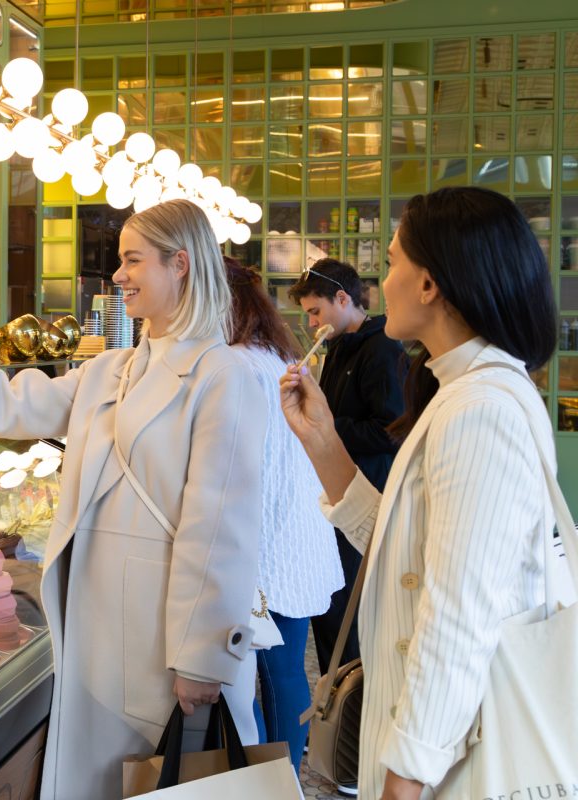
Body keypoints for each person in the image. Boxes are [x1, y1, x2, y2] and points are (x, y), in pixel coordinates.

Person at [0, 199, 265, 799]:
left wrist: (202, 655)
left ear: (181, 265)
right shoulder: (110, 369)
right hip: (92, 621)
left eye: (132, 261)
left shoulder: (224, 374)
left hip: (161, 635)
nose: (117, 277)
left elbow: (220, 526)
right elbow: (9, 406)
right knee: (99, 778)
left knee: (163, 779)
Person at [279, 186, 565, 800]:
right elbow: (406, 549)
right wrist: (324, 440)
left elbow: (457, 615)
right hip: (446, 749)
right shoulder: (456, 391)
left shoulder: (480, 406)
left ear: (430, 284)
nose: (381, 282)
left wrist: (402, 781)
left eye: (391, 262)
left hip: (461, 762)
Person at [224, 258, 343, 770]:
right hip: (297, 537)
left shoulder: (236, 365)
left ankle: (279, 779)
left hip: (270, 548)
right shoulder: (273, 354)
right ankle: (285, 777)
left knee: (265, 675)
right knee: (285, 671)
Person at [288, 258, 405, 704]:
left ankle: (354, 716)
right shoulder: (336, 346)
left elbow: (390, 430)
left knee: (352, 618)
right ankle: (335, 704)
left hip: (367, 498)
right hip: (336, 498)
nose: (312, 322)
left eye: (316, 312)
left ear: (343, 299)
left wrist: (328, 427)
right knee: (330, 611)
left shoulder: (384, 350)